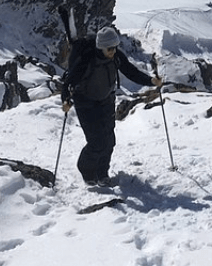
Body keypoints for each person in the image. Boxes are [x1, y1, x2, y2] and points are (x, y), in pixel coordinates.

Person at [59, 25, 157, 186]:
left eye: (115, 47)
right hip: (85, 102)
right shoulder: (86, 59)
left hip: (106, 100)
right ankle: (87, 172)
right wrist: (66, 100)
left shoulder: (116, 56)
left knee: (109, 140)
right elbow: (69, 82)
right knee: (96, 142)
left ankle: (102, 173)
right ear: (101, 47)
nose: (113, 51)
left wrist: (151, 81)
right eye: (109, 49)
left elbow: (131, 72)